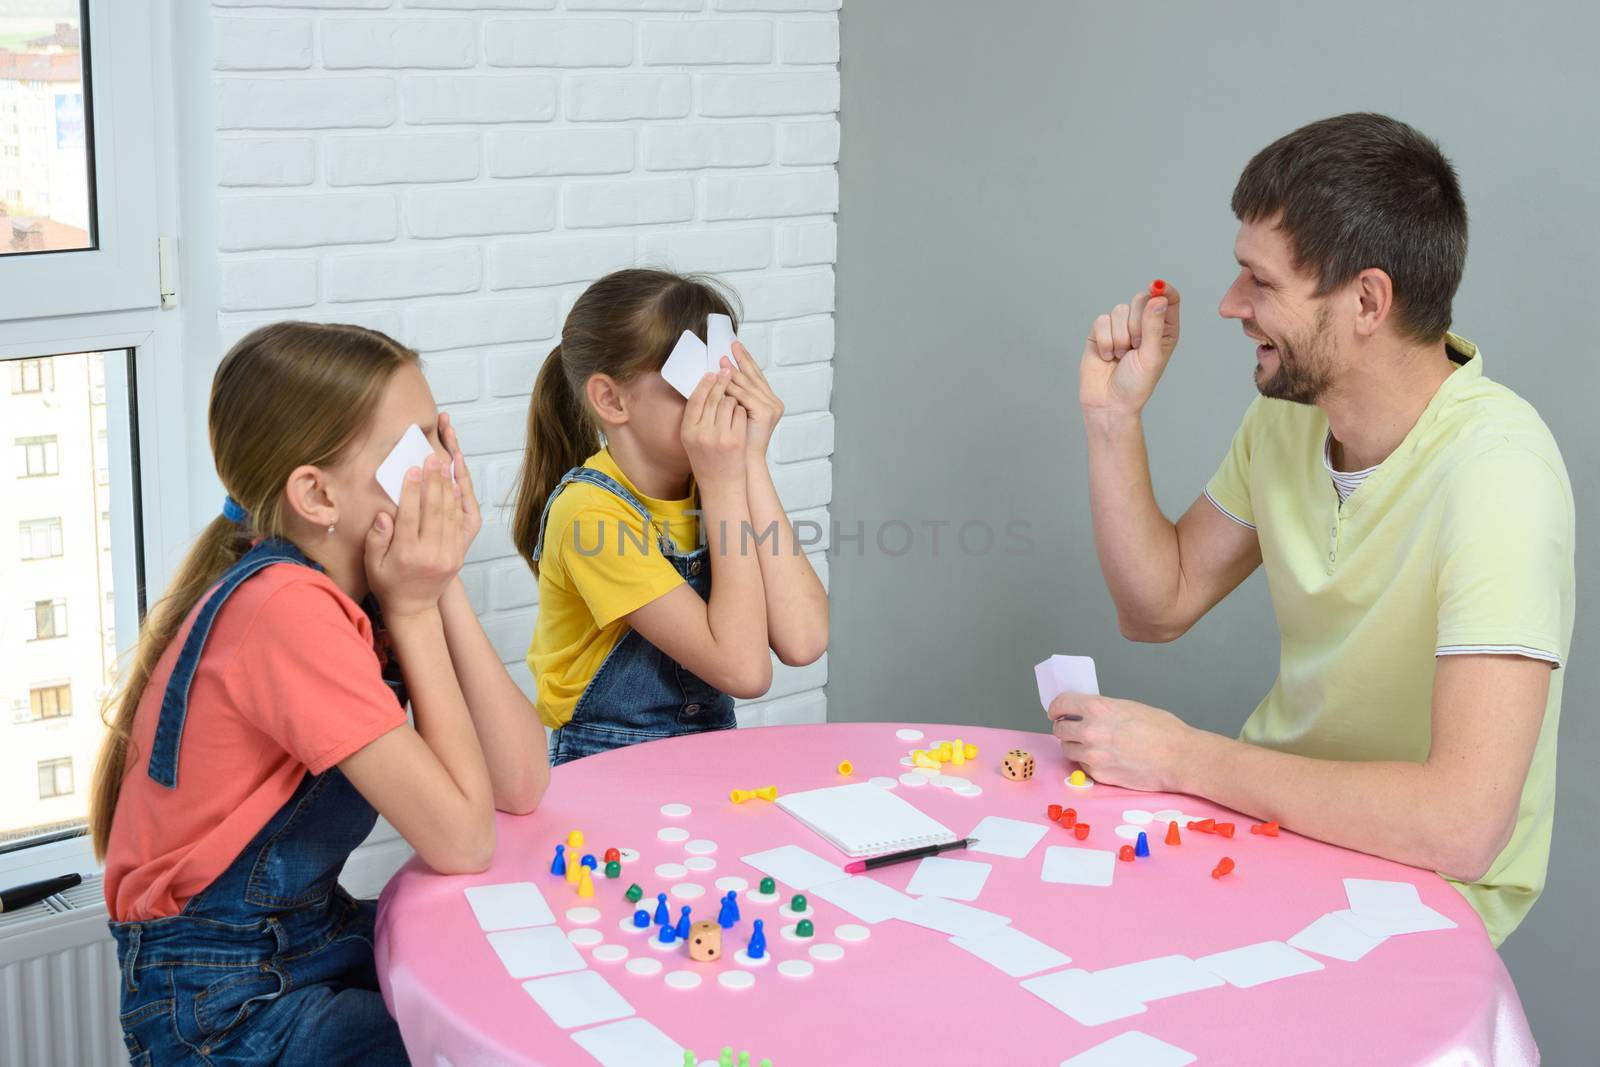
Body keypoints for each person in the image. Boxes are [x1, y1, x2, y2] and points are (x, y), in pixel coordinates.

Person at [1058, 113, 1574, 945]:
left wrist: (1184, 759)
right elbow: (1158, 605)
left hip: (1421, 891)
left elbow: (1463, 827)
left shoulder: (1499, 476)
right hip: (1273, 837)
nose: (1230, 306)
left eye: (1259, 283)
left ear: (1367, 300)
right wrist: (1110, 419)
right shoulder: (1290, 420)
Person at [91, 322, 549, 1064]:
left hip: (306, 939)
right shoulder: (284, 610)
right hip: (226, 998)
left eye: (439, 438)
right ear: (316, 493)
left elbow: (520, 782)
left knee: (510, 977)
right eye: (410, 451)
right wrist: (412, 608)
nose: (439, 469)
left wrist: (440, 587)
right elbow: (464, 839)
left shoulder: (352, 585)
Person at [512, 269, 828, 764]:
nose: (723, 404)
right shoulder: (589, 514)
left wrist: (749, 461)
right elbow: (746, 673)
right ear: (612, 400)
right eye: (695, 389)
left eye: (728, 382)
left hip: (709, 753)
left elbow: (804, 639)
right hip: (606, 760)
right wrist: (725, 485)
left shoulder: (713, 477)